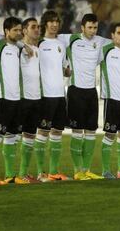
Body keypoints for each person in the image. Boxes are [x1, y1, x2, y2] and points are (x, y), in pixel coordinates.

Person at [57, 13, 110, 180]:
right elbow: (47, 38)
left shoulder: (101, 41)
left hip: (91, 91)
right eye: (90, 27)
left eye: (95, 27)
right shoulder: (69, 39)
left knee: (91, 131)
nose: (93, 31)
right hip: (75, 90)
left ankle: (86, 170)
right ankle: (77, 170)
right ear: (82, 27)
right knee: (77, 131)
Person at [35, 10, 70, 182]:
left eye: (57, 21)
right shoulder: (38, 43)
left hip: (59, 94)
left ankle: (53, 171)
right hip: (45, 94)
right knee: (43, 131)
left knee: (57, 132)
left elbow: (65, 68)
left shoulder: (61, 44)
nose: (54, 24)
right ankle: (40, 173)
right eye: (51, 21)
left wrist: (67, 70)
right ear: (45, 23)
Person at [0, 17, 23, 184]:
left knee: (11, 137)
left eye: (20, 30)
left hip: (16, 98)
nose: (19, 33)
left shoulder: (18, 48)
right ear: (6, 31)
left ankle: (10, 175)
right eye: (15, 30)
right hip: (2, 97)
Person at [99, 22, 120, 179]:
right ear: (112, 35)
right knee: (110, 134)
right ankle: (106, 170)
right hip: (112, 99)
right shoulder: (105, 51)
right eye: (119, 33)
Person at [17, 18, 41, 183]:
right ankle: (14, 174)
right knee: (14, 136)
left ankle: (23, 173)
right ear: (24, 30)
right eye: (33, 27)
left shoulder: (37, 49)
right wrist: (21, 44)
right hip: (21, 97)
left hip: (36, 98)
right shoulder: (17, 48)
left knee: (30, 136)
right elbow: (0, 39)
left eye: (38, 27)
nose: (37, 29)